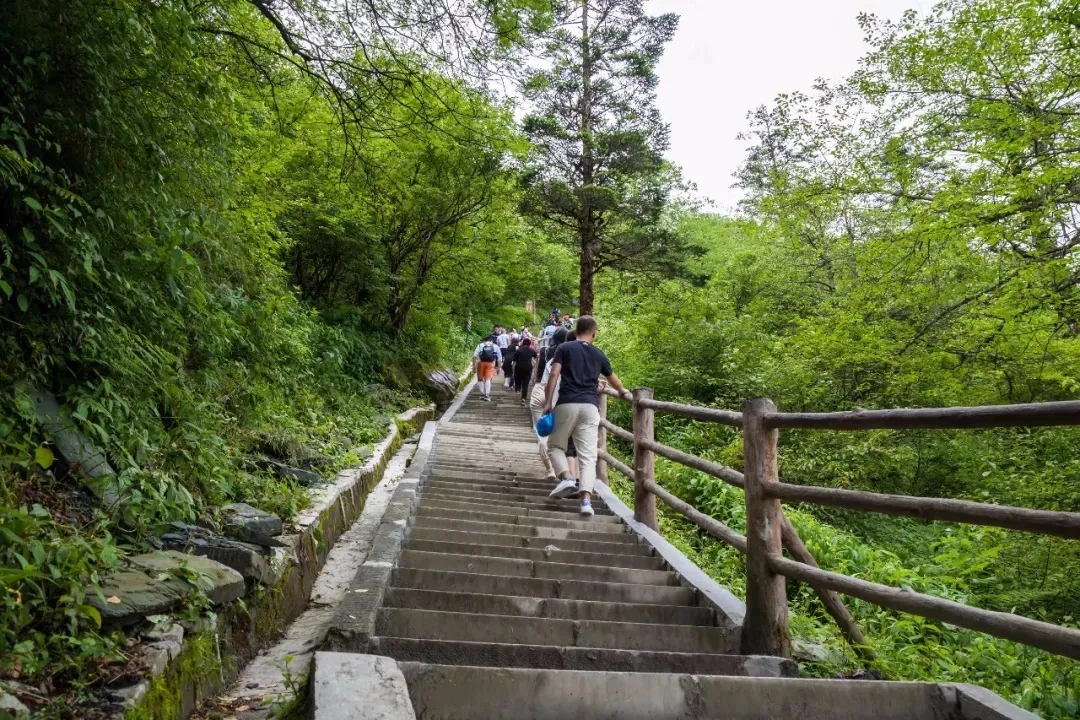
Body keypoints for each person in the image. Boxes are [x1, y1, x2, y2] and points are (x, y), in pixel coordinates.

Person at [542, 316, 629, 516]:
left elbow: (554, 374)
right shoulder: (598, 354)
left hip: (567, 403)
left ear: (576, 330)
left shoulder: (564, 348)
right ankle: (586, 502)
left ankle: (567, 478)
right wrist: (623, 392)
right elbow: (614, 380)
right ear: (594, 334)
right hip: (590, 407)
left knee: (555, 446)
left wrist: (548, 403)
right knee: (588, 456)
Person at [472, 334, 502, 401]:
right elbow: (499, 358)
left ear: (485, 340)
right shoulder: (495, 346)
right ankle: (487, 394)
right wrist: (499, 368)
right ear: (491, 341)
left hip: (481, 363)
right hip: (490, 364)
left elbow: (474, 356)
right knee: (488, 379)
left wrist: (474, 366)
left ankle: (482, 393)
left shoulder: (480, 345)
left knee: (480, 379)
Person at [513, 338, 538, 405]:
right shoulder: (532, 350)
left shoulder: (519, 350)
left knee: (518, 379)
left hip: (519, 367)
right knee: (526, 384)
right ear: (530, 344)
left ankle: (518, 389)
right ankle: (523, 398)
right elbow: (535, 356)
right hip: (528, 368)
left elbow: (514, 360)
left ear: (523, 343)